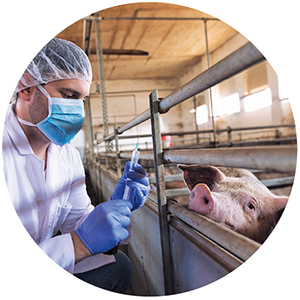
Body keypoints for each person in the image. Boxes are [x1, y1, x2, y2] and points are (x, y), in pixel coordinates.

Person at [2, 38, 150, 293]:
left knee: (118, 267)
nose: (77, 110)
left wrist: (115, 207)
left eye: (81, 99)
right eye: (68, 95)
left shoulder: (66, 155)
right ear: (26, 87)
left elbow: (77, 222)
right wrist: (78, 245)